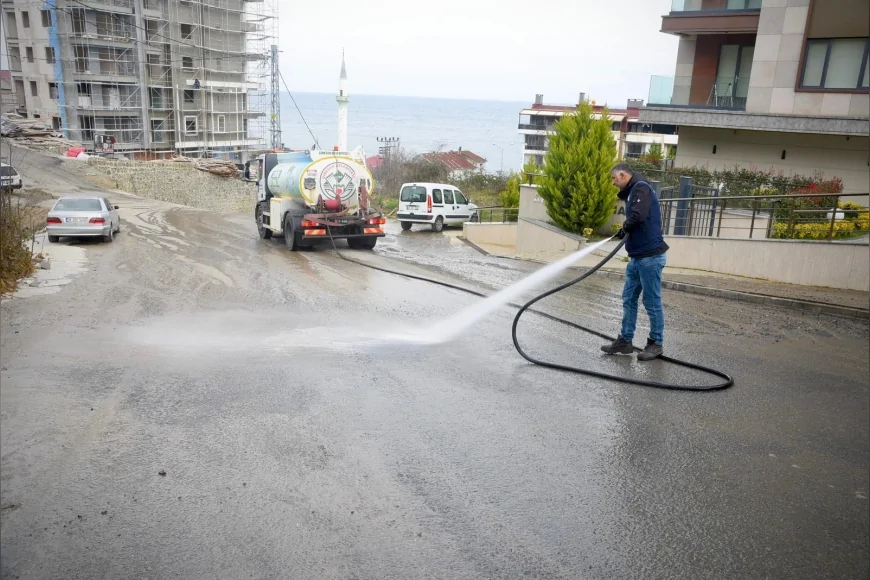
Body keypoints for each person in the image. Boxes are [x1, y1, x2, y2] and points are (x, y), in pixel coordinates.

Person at [601, 163, 669, 361]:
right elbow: (636, 218)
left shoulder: (641, 187)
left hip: (650, 257)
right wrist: (624, 230)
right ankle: (625, 341)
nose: (613, 183)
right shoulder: (633, 191)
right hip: (637, 257)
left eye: (614, 179)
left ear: (623, 175)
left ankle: (656, 343)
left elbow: (638, 215)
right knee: (628, 298)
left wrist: (626, 225)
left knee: (651, 301)